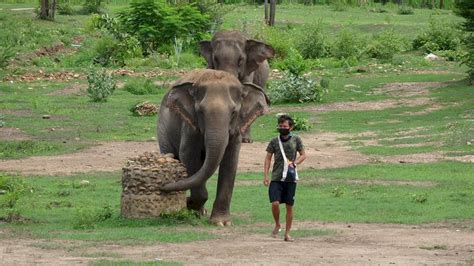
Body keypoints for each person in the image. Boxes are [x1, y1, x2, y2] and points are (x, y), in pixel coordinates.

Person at [263, 114, 306, 242]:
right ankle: (277, 223)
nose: (282, 128)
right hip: (276, 177)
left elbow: (303, 155)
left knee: (289, 206)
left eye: (285, 126)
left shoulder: (296, 140)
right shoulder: (274, 141)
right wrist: (266, 175)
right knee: (275, 203)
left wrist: (295, 163)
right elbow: (268, 158)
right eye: (280, 126)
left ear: (291, 127)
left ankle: (287, 233)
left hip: (290, 178)